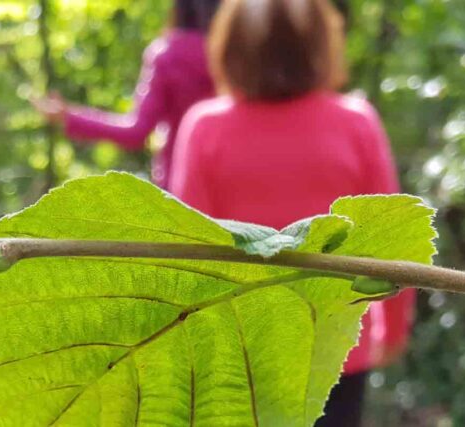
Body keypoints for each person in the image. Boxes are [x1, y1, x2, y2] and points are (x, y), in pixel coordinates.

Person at [169, 0, 414, 425]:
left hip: (242, 353)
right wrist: (392, 331)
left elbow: (188, 253)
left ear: (230, 49)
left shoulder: (204, 127)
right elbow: (394, 242)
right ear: (322, 45)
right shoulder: (357, 122)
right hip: (339, 348)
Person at [32, 0, 221, 189]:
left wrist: (69, 117)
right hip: (238, 186)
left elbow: (135, 131)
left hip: (183, 191)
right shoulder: (237, 53)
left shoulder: (168, 54)